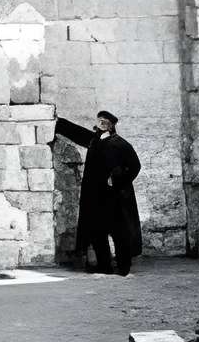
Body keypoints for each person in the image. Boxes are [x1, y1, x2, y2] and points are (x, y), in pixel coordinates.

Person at [54, 109, 142, 275]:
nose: (101, 123)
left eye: (104, 121)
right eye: (99, 120)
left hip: (115, 196)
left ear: (111, 125)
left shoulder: (121, 144)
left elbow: (135, 166)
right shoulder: (94, 140)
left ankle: (124, 266)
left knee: (119, 232)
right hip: (96, 196)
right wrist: (59, 123)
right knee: (97, 231)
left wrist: (117, 179)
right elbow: (78, 133)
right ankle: (104, 265)